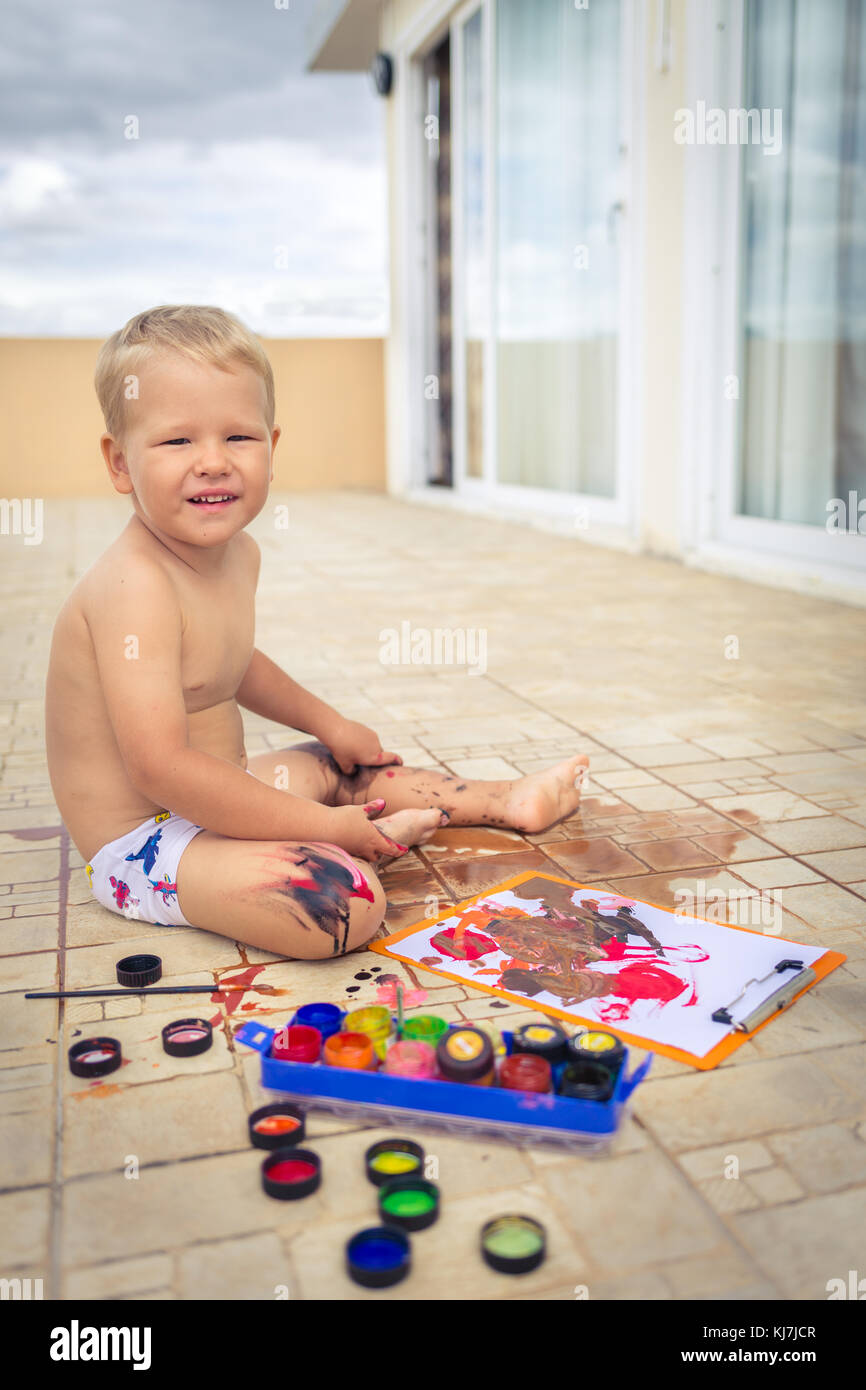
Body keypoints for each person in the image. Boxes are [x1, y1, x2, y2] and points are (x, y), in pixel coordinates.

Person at [45, 305, 590, 959]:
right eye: (177, 441)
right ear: (120, 463)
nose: (213, 462)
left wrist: (328, 722)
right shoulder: (133, 588)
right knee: (342, 903)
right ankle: (333, 845)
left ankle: (508, 800)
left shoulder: (236, 555)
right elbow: (161, 768)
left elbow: (233, 662)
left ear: (273, 447)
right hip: (147, 841)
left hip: (223, 789)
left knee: (341, 765)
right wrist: (325, 828)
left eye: (238, 438)